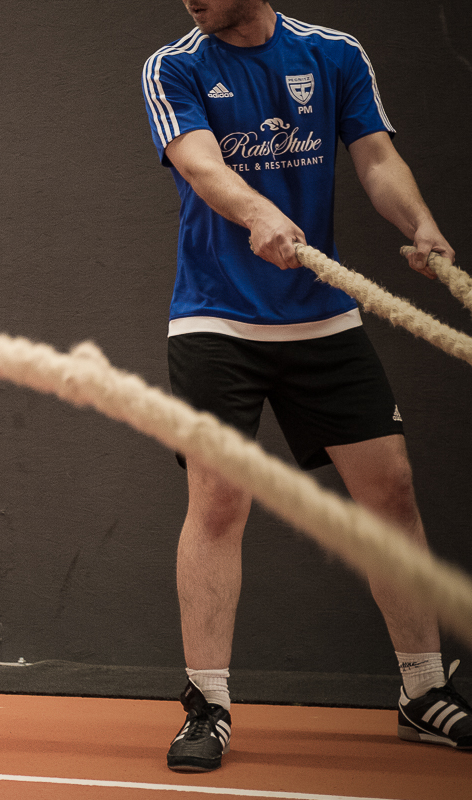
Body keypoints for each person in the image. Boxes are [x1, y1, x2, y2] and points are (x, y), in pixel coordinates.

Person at [141, 0, 470, 773]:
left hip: (321, 319)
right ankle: (207, 704)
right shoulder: (175, 66)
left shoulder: (333, 54)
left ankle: (423, 692)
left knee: (390, 489)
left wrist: (419, 222)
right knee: (219, 498)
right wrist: (261, 213)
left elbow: (378, 158)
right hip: (215, 320)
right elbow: (200, 163)